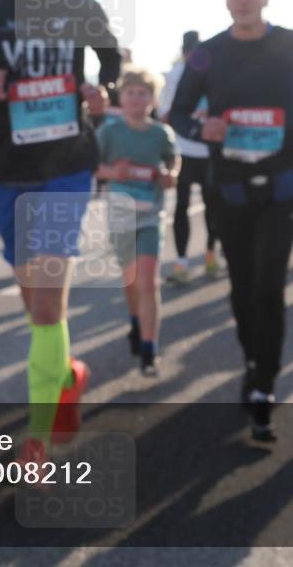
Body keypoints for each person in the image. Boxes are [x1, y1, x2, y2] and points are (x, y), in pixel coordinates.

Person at [0, 0, 121, 464]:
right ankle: (67, 373)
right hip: (7, 168)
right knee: (35, 304)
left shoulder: (81, 10)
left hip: (67, 166)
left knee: (48, 306)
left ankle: (36, 441)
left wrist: (104, 90)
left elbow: (113, 59)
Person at [169, 0, 293, 442]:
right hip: (231, 189)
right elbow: (178, 112)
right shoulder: (208, 54)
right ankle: (253, 360)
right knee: (242, 288)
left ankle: (264, 387)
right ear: (227, 2)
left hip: (282, 187)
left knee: (268, 284)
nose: (243, 1)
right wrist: (203, 131)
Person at [96, 68, 178, 375]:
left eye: (143, 93)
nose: (136, 99)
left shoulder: (160, 133)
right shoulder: (109, 131)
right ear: (121, 97)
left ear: (152, 99)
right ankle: (135, 320)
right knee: (131, 281)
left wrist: (172, 175)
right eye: (130, 93)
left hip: (150, 216)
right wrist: (113, 173)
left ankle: (149, 349)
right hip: (120, 217)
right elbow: (93, 168)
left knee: (148, 281)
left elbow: (173, 160)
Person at [159, 30, 218, 284]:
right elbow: (165, 113)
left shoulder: (208, 72)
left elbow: (164, 113)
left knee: (209, 208)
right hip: (184, 151)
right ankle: (188, 260)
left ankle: (208, 255)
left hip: (205, 152)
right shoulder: (175, 76)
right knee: (187, 207)